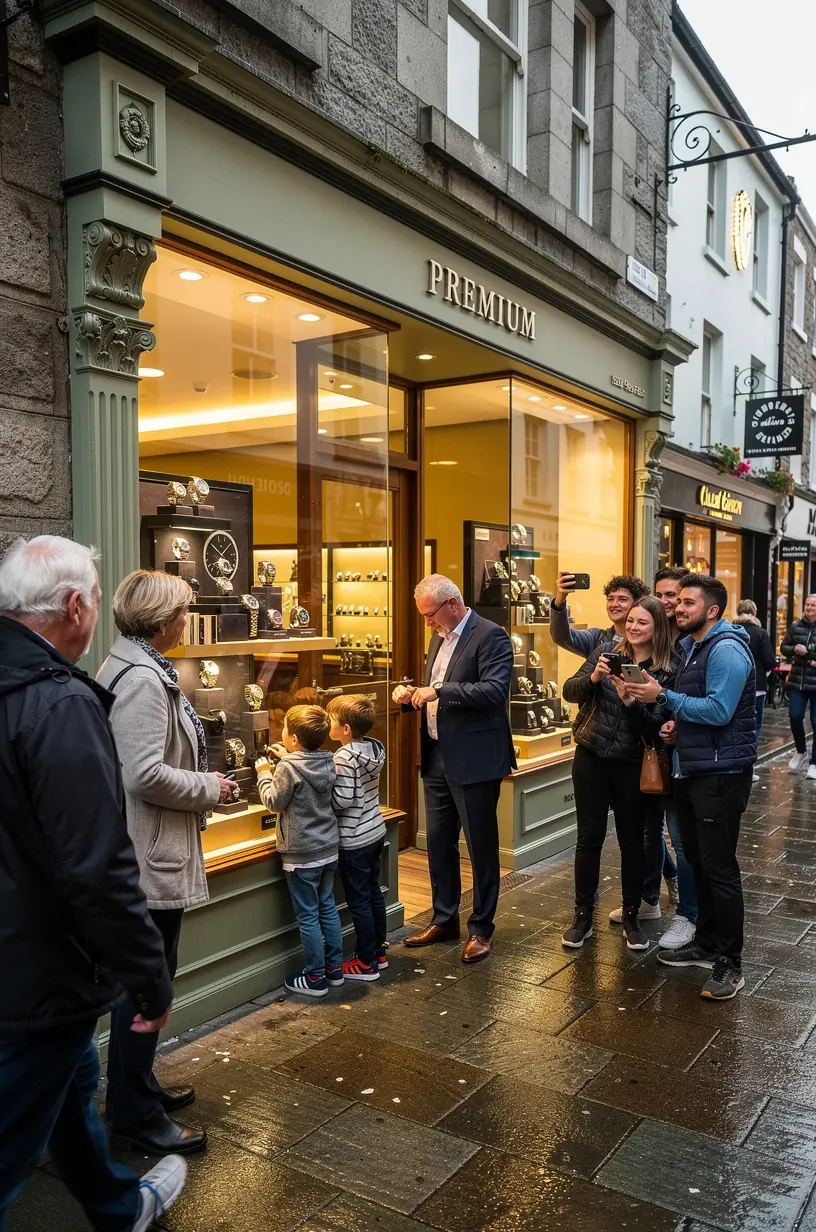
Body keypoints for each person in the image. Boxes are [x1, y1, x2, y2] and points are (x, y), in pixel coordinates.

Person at [0, 536, 186, 1232]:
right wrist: (148, 974)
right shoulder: (59, 703)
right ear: (74, 605)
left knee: (73, 1083)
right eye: (94, 600)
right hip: (39, 967)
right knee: (15, 1133)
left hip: (24, 953)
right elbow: (96, 863)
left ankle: (117, 1204)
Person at [97, 570, 236, 1157]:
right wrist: (211, 787)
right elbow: (143, 774)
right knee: (145, 987)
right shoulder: (144, 681)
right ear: (161, 620)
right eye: (183, 612)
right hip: (148, 855)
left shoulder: (135, 665)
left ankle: (139, 1088)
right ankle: (131, 1113)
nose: (187, 621)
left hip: (148, 849)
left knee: (145, 982)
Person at [627, 574, 756, 1001]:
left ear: (712, 610)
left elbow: (719, 711)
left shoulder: (726, 649)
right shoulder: (694, 647)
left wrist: (664, 696)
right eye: (677, 602)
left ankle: (730, 964)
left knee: (719, 869)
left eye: (687, 603)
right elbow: (700, 711)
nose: (678, 609)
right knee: (698, 863)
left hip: (720, 774)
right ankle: (706, 942)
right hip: (693, 768)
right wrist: (674, 726)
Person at [391, 574, 514, 964]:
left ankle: (482, 928)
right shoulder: (439, 637)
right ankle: (444, 918)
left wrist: (440, 690)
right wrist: (411, 694)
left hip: (475, 758)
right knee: (439, 844)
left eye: (430, 615)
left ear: (454, 604)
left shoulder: (490, 635)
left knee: (479, 847)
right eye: (425, 617)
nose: (427, 622)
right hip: (437, 755)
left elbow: (494, 691)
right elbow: (436, 689)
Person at [560, 596, 673, 952]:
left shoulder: (667, 669)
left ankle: (631, 916)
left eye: (643, 622)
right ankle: (582, 916)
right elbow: (569, 691)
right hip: (591, 756)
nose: (634, 627)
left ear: (657, 628)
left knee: (632, 843)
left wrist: (631, 704)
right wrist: (593, 676)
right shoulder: (605, 650)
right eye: (632, 621)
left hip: (632, 764)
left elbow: (659, 728)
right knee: (588, 838)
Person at [255, 705, 342, 997]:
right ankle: (334, 969)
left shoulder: (287, 768)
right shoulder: (328, 760)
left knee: (308, 916)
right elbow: (307, 771)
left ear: (292, 739)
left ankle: (315, 978)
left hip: (301, 853)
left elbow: (274, 802)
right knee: (327, 907)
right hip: (328, 847)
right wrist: (286, 759)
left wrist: (265, 773)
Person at [327, 694, 387, 981]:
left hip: (354, 838)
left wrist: (323, 791)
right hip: (375, 830)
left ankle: (365, 963)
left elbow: (343, 800)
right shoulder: (374, 749)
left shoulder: (344, 756)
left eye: (331, 720)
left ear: (346, 729)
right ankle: (379, 952)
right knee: (374, 893)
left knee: (359, 901)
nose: (328, 724)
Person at [550, 573, 650, 658]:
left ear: (637, 603)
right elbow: (562, 637)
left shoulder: (649, 640)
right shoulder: (596, 638)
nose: (614, 604)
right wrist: (559, 602)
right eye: (610, 599)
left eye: (622, 599)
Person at [780, 593, 816, 777]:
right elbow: (783, 647)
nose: (809, 608)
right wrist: (793, 649)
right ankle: (801, 751)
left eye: (813, 606)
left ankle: (814, 763)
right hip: (796, 682)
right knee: (795, 716)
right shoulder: (796, 626)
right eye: (807, 605)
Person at [734, 599, 775, 743]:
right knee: (755, 722)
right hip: (757, 683)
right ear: (754, 613)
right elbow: (769, 660)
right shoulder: (760, 632)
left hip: (734, 683)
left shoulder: (730, 630)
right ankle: (750, 756)